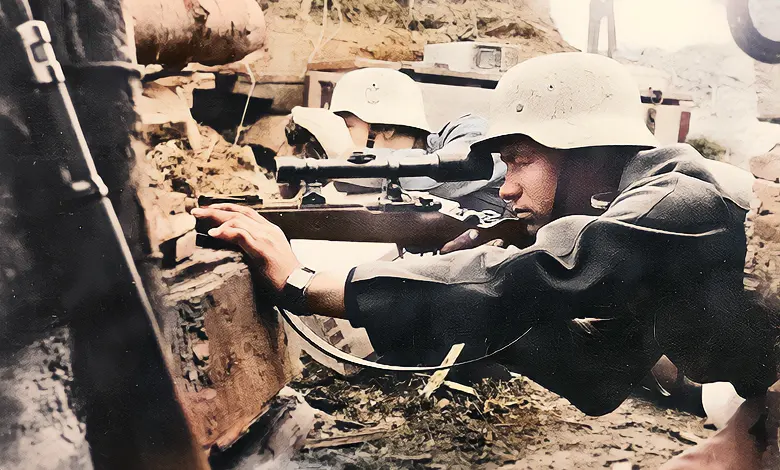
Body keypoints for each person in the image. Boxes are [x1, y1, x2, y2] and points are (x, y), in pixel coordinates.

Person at [193, 52, 778, 468]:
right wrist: (464, 310)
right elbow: (598, 376)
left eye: (520, 160)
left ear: (585, 149)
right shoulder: (638, 214)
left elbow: (533, 276)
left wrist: (304, 283)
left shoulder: (678, 200)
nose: (506, 187)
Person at [294, 67, 508, 214]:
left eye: (347, 126)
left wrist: (348, 156)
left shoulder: (470, 132)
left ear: (386, 128)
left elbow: (445, 174)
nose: (341, 134)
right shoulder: (377, 181)